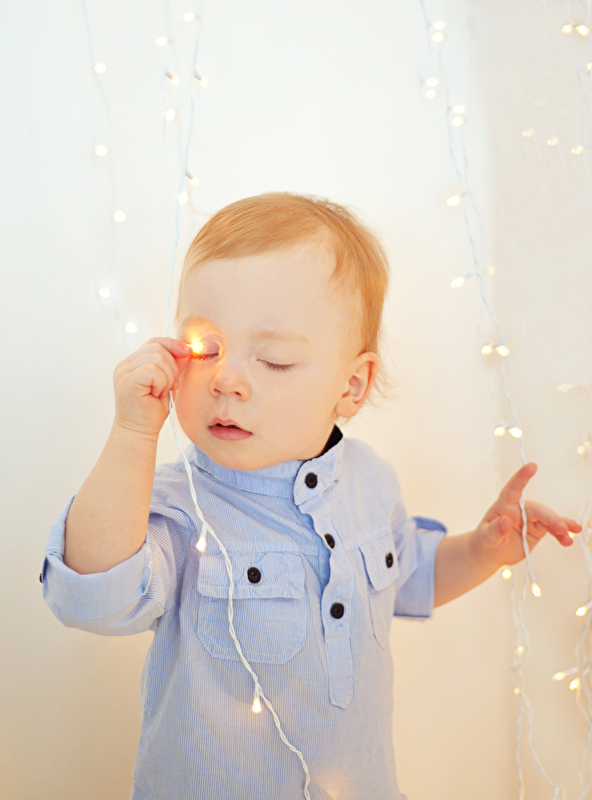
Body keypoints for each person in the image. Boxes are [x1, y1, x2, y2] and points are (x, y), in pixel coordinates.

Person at [41, 192, 581, 800]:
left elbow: (406, 576)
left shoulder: (370, 480)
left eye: (273, 361)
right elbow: (92, 599)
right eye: (205, 348)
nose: (226, 379)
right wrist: (133, 432)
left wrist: (484, 550)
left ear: (351, 385)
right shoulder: (178, 503)